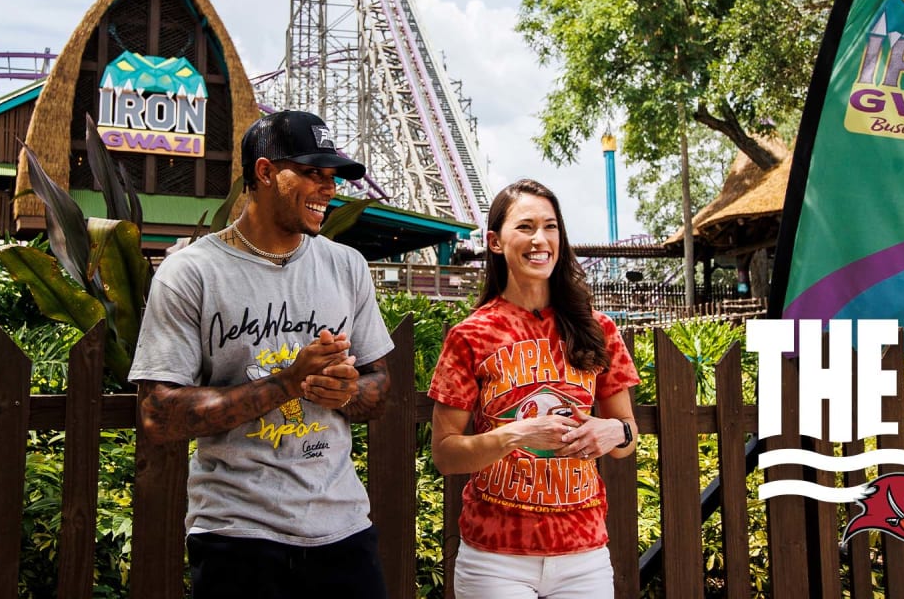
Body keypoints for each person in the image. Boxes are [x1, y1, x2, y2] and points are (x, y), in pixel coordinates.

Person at [129, 110, 393, 599]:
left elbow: (380, 390)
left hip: (343, 529)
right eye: (313, 173)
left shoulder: (346, 266)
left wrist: (347, 390)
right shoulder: (192, 272)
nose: (328, 188)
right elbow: (158, 415)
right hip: (236, 538)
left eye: (332, 176)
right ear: (266, 172)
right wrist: (286, 384)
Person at [428, 179, 640, 599]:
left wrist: (614, 432)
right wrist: (517, 434)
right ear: (494, 241)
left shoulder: (598, 329)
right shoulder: (471, 335)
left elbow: (626, 436)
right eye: (525, 227)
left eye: (550, 226)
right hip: (495, 558)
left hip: (584, 555)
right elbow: (445, 454)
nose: (540, 239)